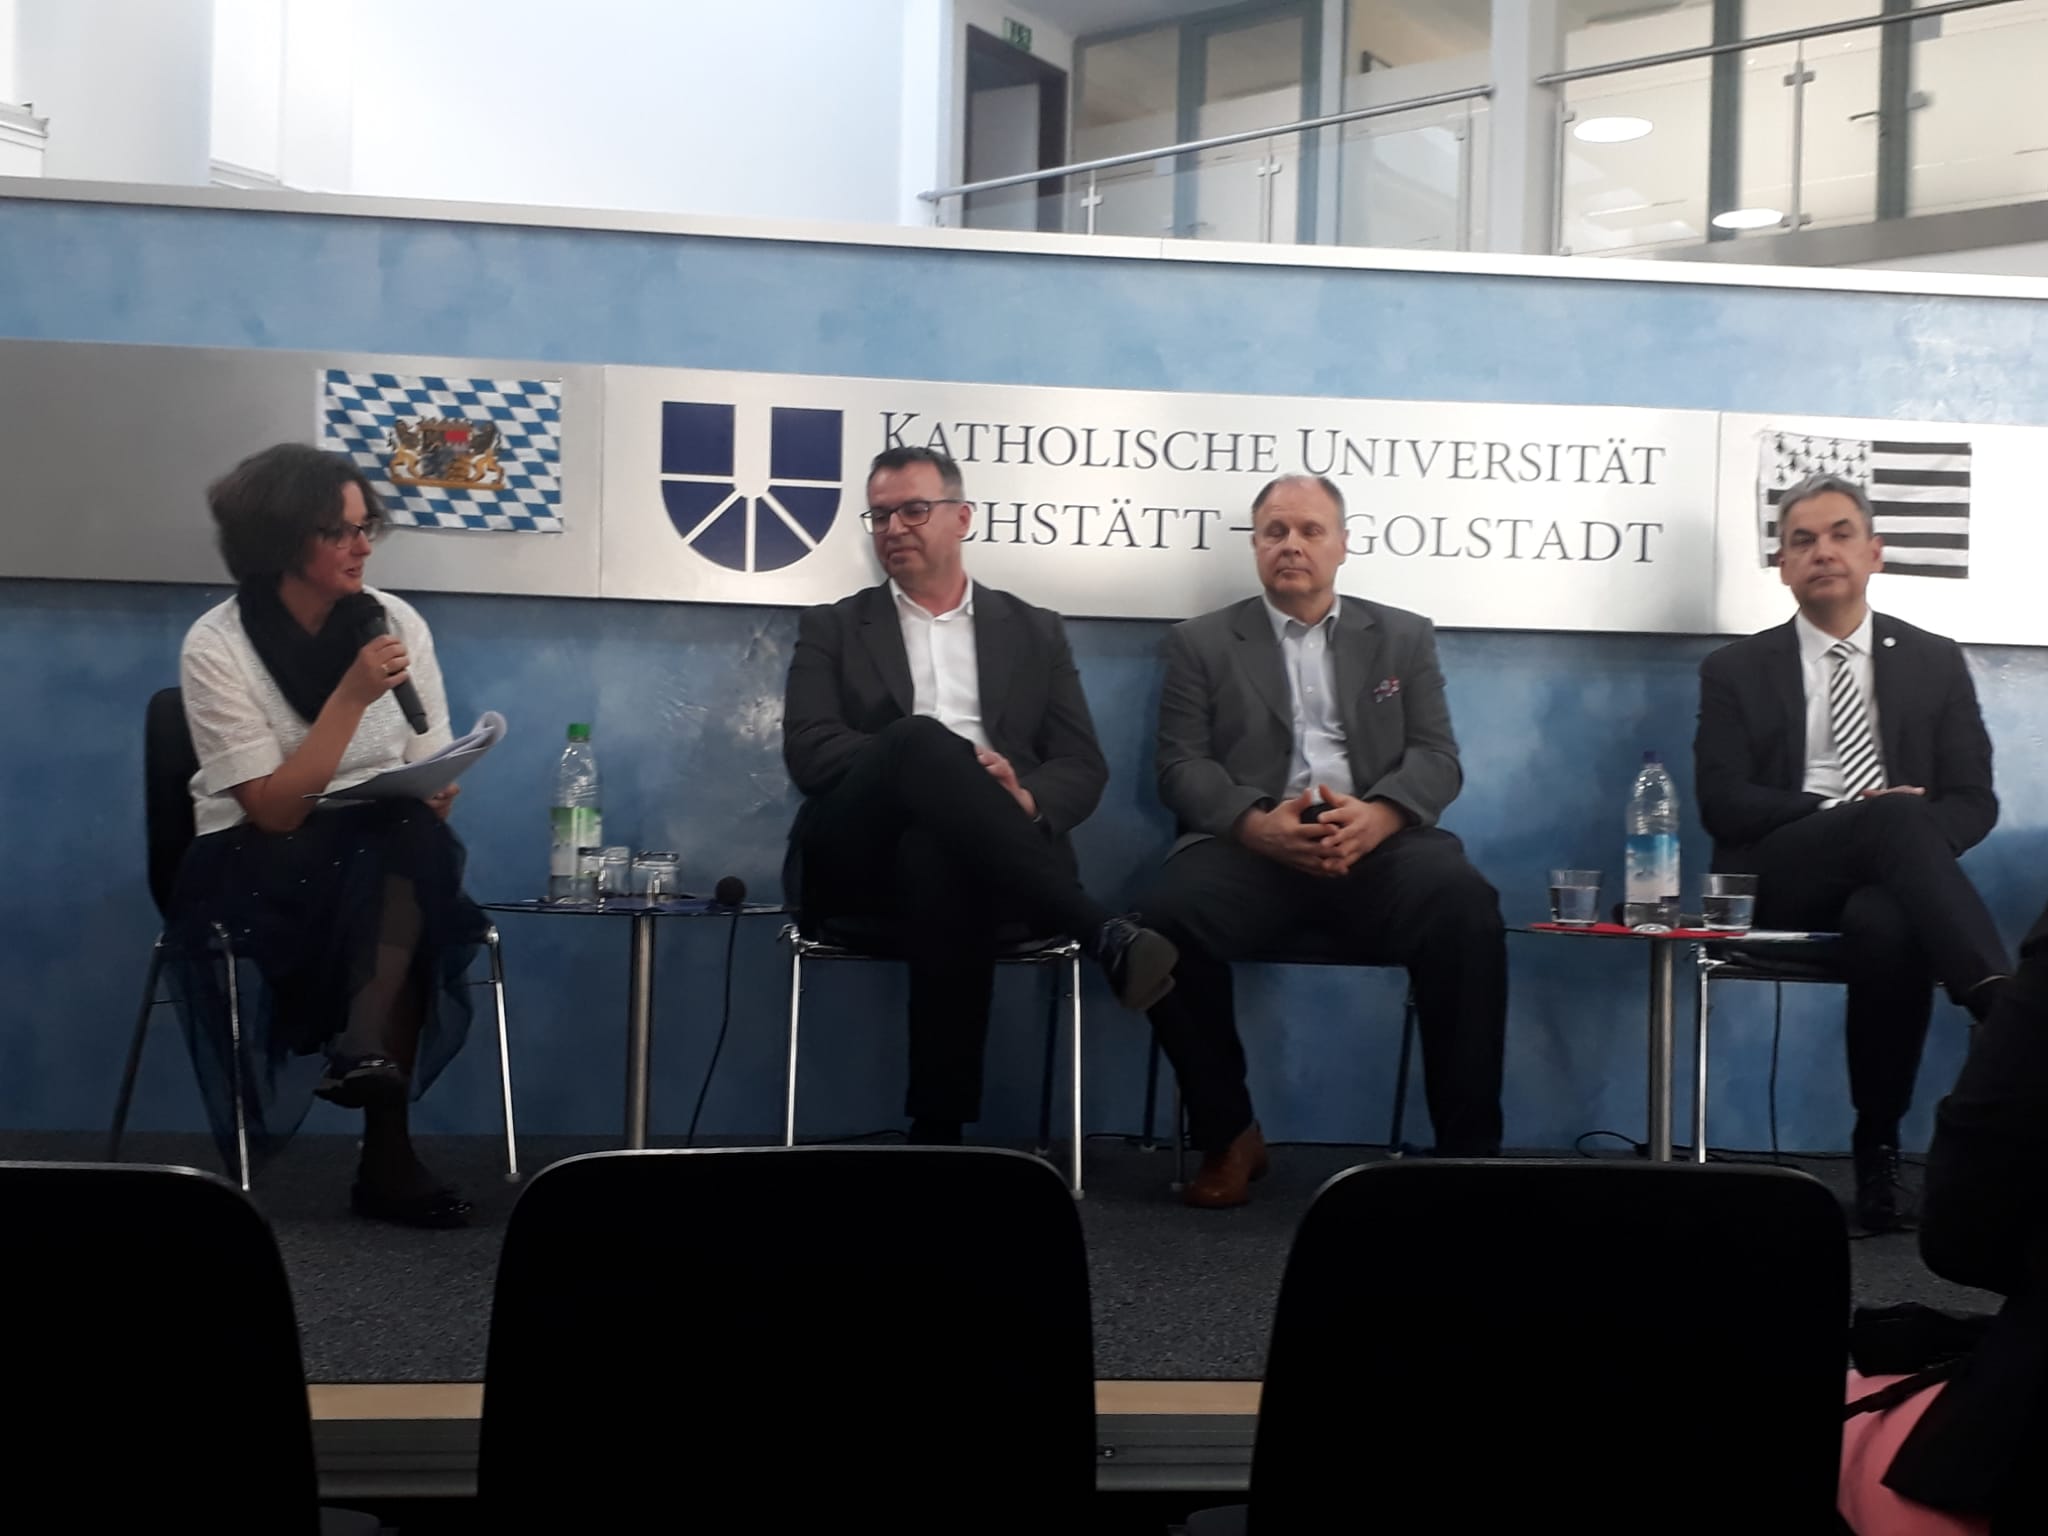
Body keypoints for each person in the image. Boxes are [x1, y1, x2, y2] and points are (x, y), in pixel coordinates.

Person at [781, 446, 1177, 1146]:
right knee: (921, 740)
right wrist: (936, 763)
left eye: (913, 510)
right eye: (879, 515)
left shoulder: (1033, 629)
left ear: (962, 518)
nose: (894, 528)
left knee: (939, 846)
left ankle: (937, 1133)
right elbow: (810, 752)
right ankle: (1099, 930)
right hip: (855, 859)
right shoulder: (833, 627)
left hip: (987, 866)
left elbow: (1081, 764)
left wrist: (1020, 798)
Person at [1139, 473, 1507, 1208]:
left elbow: (1438, 757)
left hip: (1378, 839)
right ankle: (1229, 1133)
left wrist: (1382, 815)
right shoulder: (1200, 642)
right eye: (1274, 531)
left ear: (1342, 544)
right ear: (1255, 546)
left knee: (1465, 907)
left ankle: (1468, 1156)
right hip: (1252, 843)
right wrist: (1255, 824)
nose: (1291, 545)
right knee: (1162, 922)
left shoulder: (1402, 636)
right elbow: (1180, 767)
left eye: (1310, 530)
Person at [1694, 471, 2011, 1234]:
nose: (1822, 552)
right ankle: (2002, 1007)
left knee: (1888, 919)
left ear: (1875, 552)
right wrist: (1849, 814)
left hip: (1894, 879)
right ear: (1782, 566)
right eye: (1802, 541)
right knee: (1892, 819)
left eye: (1840, 535)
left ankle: (1878, 1151)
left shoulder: (1934, 660)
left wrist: (1903, 841)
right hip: (1780, 871)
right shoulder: (1734, 669)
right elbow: (1721, 802)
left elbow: (1974, 801)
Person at [173, 442, 480, 1227]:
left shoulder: (395, 622)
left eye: (366, 526)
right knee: (396, 861)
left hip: (383, 851)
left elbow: (426, 755)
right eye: (338, 531)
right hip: (256, 859)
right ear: (280, 541)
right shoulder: (217, 644)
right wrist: (348, 697)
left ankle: (365, 1049)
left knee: (404, 838)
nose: (362, 546)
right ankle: (386, 1151)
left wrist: (437, 786)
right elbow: (273, 811)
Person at [1836, 908, 2048, 1533]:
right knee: (1882, 906)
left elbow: (1966, 1229)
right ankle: (1987, 991)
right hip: (1801, 878)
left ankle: (1993, 1002)